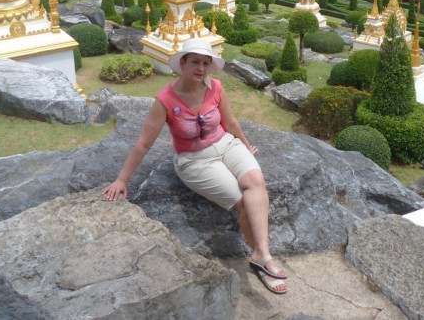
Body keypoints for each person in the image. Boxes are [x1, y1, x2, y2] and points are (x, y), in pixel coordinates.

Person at [103, 37, 288, 295]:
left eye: (205, 63)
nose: (201, 69)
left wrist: (246, 144)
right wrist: (121, 179)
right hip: (194, 160)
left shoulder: (216, 87)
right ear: (182, 63)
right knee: (242, 201)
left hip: (226, 144)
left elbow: (230, 122)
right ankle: (263, 261)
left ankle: (262, 254)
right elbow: (144, 143)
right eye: (195, 62)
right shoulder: (165, 100)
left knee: (255, 181)